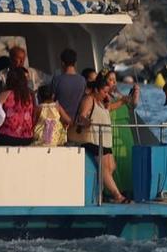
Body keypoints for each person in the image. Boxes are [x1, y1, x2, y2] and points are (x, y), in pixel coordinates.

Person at [76, 70, 126, 202]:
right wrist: (86, 121)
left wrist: (123, 101)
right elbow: (82, 115)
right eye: (104, 92)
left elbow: (109, 109)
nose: (106, 94)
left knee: (111, 166)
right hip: (93, 140)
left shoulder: (102, 103)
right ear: (97, 90)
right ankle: (117, 195)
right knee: (104, 168)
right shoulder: (89, 99)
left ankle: (102, 194)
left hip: (104, 140)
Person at [109, 72, 144, 201]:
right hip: (111, 130)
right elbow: (106, 108)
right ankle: (113, 191)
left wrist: (136, 94)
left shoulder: (119, 95)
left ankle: (128, 189)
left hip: (124, 131)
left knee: (127, 159)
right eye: (110, 80)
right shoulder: (102, 96)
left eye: (114, 79)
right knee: (113, 162)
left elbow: (132, 104)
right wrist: (122, 101)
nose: (113, 82)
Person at [0, 67, 36, 146]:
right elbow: (33, 115)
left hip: (7, 136)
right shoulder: (30, 96)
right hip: (27, 137)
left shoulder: (4, 95)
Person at [48, 49, 87, 125]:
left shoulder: (57, 79)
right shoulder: (82, 80)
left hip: (59, 122)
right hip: (75, 123)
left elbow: (51, 101)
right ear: (75, 63)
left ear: (62, 63)